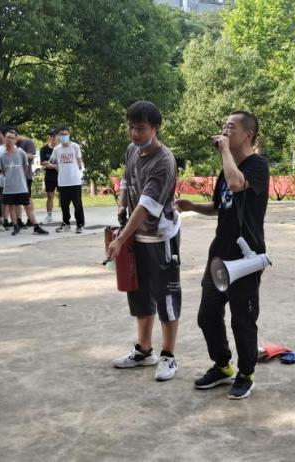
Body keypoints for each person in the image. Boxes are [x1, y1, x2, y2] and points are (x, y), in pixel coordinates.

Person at [177, 111, 270, 400]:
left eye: (231, 127)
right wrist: (193, 206)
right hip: (219, 254)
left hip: (246, 257)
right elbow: (220, 206)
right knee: (207, 316)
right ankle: (222, 365)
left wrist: (225, 152)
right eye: (224, 127)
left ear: (249, 135)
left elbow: (237, 184)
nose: (225, 131)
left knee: (242, 320)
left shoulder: (258, 166)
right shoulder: (226, 168)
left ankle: (246, 374)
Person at [106, 101, 182, 382]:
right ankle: (143, 350)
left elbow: (147, 206)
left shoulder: (164, 161)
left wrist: (120, 239)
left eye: (140, 128)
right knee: (138, 292)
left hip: (160, 237)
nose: (134, 133)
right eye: (131, 127)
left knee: (166, 295)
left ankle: (168, 355)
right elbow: (127, 178)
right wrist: (122, 202)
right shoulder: (132, 150)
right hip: (136, 235)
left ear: (155, 128)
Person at [0, 128, 47, 236]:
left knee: (27, 206)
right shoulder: (2, 156)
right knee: (11, 207)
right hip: (9, 187)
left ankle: (36, 226)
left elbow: (25, 167)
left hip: (21, 185)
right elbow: (2, 171)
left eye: (12, 138)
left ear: (15, 140)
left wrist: (18, 176)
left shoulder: (21, 153)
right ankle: (15, 226)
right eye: (7, 137)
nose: (9, 140)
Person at [50, 127, 85, 234]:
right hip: (63, 181)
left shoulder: (75, 146)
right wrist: (50, 165)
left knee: (77, 204)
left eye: (65, 134)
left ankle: (80, 224)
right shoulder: (57, 149)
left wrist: (79, 170)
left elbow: (79, 161)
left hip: (75, 181)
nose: (63, 136)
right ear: (58, 136)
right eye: (61, 134)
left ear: (69, 135)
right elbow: (53, 161)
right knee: (64, 205)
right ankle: (66, 224)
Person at [40, 128, 58, 223]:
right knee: (50, 195)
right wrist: (50, 165)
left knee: (64, 195)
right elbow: (43, 162)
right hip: (49, 175)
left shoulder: (60, 148)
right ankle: (49, 215)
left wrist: (53, 165)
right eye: (51, 135)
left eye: (54, 135)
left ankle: (66, 215)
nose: (52, 137)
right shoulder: (44, 149)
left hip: (60, 174)